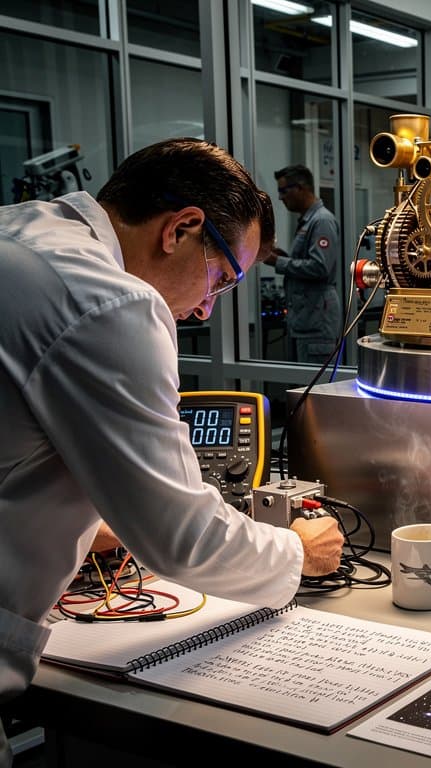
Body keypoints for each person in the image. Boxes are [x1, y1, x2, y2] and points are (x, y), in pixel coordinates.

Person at [0, 138, 345, 768]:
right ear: (182, 229)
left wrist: (81, 525)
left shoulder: (22, 235)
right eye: (220, 278)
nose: (206, 307)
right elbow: (184, 541)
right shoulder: (109, 301)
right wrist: (300, 550)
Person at [263, 165, 342, 364]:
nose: (280, 198)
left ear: (301, 188)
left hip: (317, 323)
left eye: (283, 191)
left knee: (316, 390)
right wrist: (283, 256)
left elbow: (320, 268)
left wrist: (277, 261)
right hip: (305, 321)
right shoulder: (308, 221)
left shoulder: (321, 221)